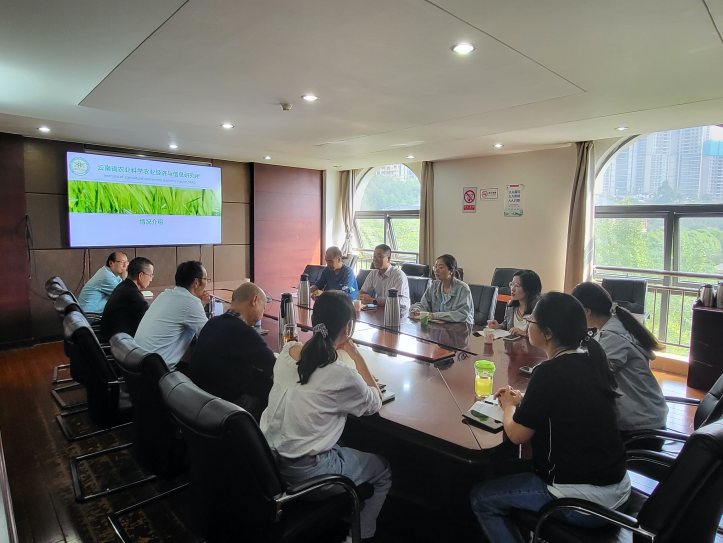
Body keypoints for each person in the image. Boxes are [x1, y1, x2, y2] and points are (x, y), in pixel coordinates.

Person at [470, 292, 630, 543]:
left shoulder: (548, 371)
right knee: (504, 469)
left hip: (581, 501)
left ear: (547, 333)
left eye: (531, 321)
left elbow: (517, 435)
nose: (527, 325)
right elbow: (565, 399)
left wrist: (509, 406)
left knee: (482, 497)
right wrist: (524, 399)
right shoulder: (592, 359)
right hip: (616, 488)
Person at [260, 291, 391, 541]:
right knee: (383, 469)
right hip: (307, 476)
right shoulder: (341, 374)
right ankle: (359, 536)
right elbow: (375, 401)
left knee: (340, 442)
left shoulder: (287, 352)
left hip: (268, 465)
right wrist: (356, 355)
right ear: (347, 327)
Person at [571, 281, 668, 444]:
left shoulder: (612, 335)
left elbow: (595, 375)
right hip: (647, 415)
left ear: (586, 311)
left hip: (640, 427)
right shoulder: (618, 323)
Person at [188, 282, 275, 421]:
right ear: (254, 300)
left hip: (197, 400)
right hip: (223, 408)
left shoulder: (212, 322)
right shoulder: (245, 332)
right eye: (263, 307)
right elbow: (274, 366)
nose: (262, 314)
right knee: (271, 394)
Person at [134, 261, 210, 372]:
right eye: (206, 279)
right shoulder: (191, 302)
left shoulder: (165, 294)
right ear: (196, 282)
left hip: (138, 365)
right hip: (157, 372)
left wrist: (200, 304)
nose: (207, 282)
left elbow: (184, 314)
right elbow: (208, 336)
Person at [99, 257, 154, 342]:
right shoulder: (132, 294)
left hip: (112, 338)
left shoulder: (123, 286)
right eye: (150, 276)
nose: (151, 280)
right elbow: (150, 319)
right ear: (140, 275)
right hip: (118, 344)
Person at [410, 254, 474, 323]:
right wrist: (416, 309)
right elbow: (423, 304)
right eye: (435, 267)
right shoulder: (434, 285)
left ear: (451, 271)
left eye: (440, 267)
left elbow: (462, 314)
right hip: (440, 326)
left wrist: (434, 316)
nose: (436, 270)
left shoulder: (463, 288)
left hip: (461, 326)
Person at [357, 244, 410, 318]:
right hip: (381, 312)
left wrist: (372, 301)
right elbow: (360, 293)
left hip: (399, 314)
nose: (375, 260)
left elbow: (395, 301)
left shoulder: (398, 275)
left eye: (379, 256)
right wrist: (362, 297)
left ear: (388, 259)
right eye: (374, 257)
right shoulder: (373, 273)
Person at [487, 269, 541, 337]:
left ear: (529, 289)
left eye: (517, 285)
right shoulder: (510, 306)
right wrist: (498, 326)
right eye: (512, 284)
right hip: (512, 343)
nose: (512, 289)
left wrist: (525, 334)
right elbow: (506, 326)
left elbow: (544, 335)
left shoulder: (539, 309)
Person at [78, 251, 128, 317]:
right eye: (121, 262)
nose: (125, 266)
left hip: (92, 313)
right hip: (90, 315)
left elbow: (124, 289)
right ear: (111, 263)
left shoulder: (112, 274)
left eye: (126, 263)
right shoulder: (106, 276)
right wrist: (125, 278)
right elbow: (124, 295)